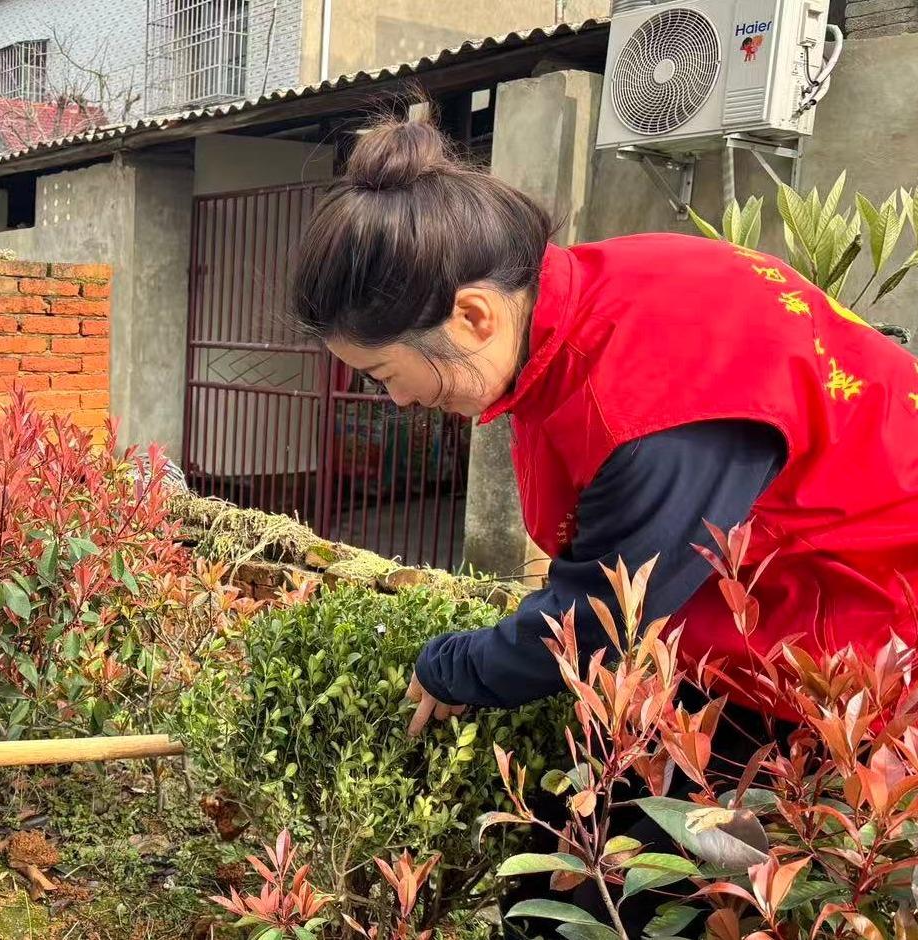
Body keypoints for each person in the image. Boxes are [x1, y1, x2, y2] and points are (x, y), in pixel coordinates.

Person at [287, 117, 918, 930]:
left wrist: (453, 664)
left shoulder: (654, 392)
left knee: (653, 898)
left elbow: (597, 621)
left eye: (384, 374)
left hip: (867, 651)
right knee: (578, 868)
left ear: (472, 316)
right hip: (761, 620)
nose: (398, 401)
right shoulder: (583, 306)